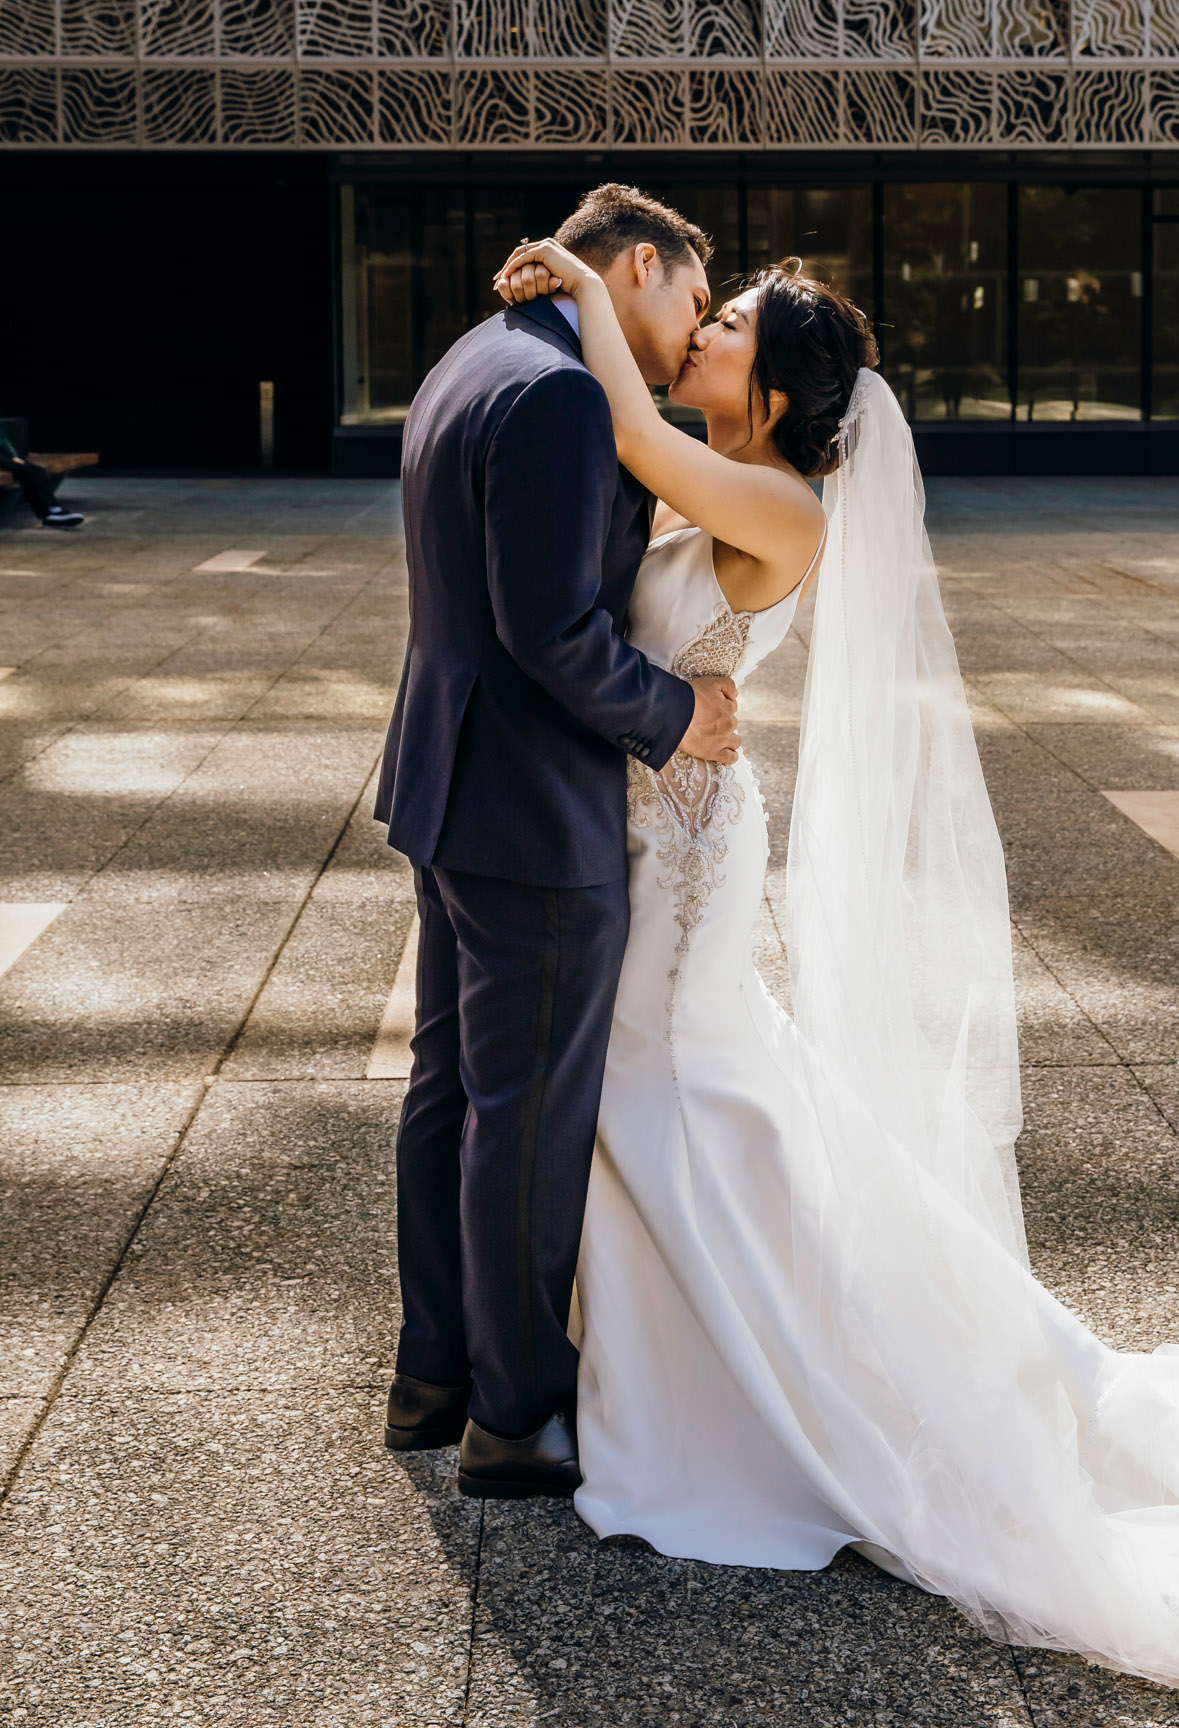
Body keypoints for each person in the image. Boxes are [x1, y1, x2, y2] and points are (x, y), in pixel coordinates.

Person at [495, 229, 1179, 1711]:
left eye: (724, 324)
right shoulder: (736, 477)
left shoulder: (779, 505)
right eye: (702, 312)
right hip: (668, 831)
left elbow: (621, 427)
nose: (702, 333)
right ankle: (693, 1380)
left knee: (679, 1093)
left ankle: (738, 1408)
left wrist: (591, 292)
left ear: (776, 391)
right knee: (707, 1107)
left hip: (693, 857)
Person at [375, 186, 742, 1503]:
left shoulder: (469, 361)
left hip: (448, 780)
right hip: (533, 809)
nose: (692, 331)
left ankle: (435, 1373)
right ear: (638, 265)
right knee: (522, 1112)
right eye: (694, 301)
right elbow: (551, 630)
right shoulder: (563, 396)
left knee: (450, 1088)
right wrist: (679, 717)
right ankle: (516, 1412)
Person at [0, 370, 83, 528]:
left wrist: (13, 455)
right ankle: (49, 512)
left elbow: (2, 437)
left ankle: (52, 511)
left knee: (35, 470)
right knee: (27, 471)